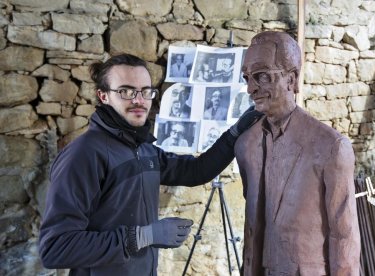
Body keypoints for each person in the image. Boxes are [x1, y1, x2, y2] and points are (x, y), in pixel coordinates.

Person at [38, 53, 262, 276]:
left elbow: (196, 171)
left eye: (146, 91)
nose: (139, 100)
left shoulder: (142, 148)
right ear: (103, 96)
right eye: (126, 91)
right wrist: (143, 237)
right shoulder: (83, 155)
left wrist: (233, 134)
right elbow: (56, 248)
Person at [235, 31, 361, 275]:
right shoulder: (245, 146)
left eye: (262, 76)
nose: (251, 88)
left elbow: (344, 237)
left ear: (291, 79)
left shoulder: (331, 147)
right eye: (247, 78)